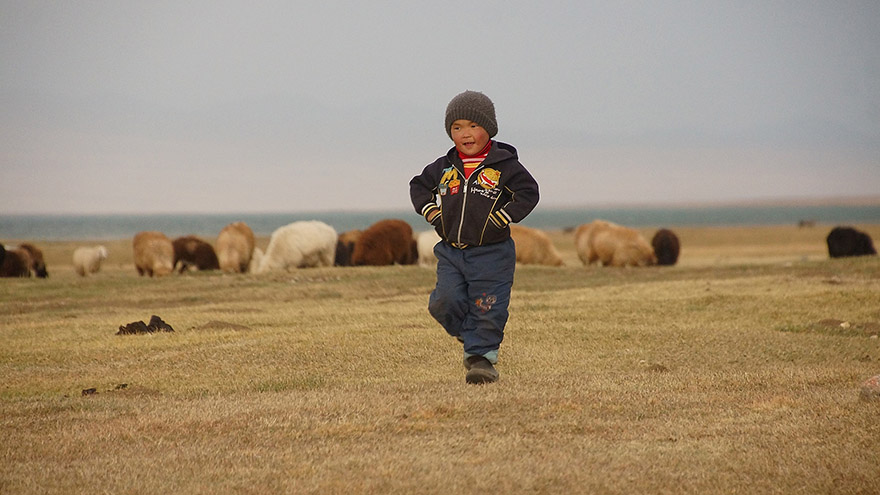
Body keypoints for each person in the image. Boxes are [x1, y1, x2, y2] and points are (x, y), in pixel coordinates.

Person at [409, 90, 539, 384]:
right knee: (443, 301)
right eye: (457, 127)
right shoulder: (443, 166)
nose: (465, 134)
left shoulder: (505, 165)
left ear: (488, 129)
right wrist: (432, 213)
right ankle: (468, 335)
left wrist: (503, 217)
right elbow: (418, 187)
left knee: (487, 306)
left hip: (492, 254)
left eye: (473, 126)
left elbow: (528, 193)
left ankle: (481, 361)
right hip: (452, 251)